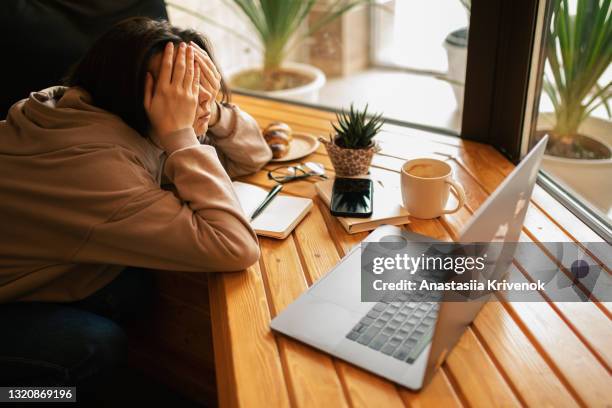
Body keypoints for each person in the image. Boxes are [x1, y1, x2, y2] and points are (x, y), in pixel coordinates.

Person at [0, 17, 272, 401]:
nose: (191, 98)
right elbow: (234, 247)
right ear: (134, 93)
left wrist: (212, 112)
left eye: (196, 85)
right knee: (96, 345)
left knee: (134, 288)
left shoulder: (78, 104)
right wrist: (181, 136)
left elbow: (254, 156)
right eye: (176, 89)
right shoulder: (99, 171)